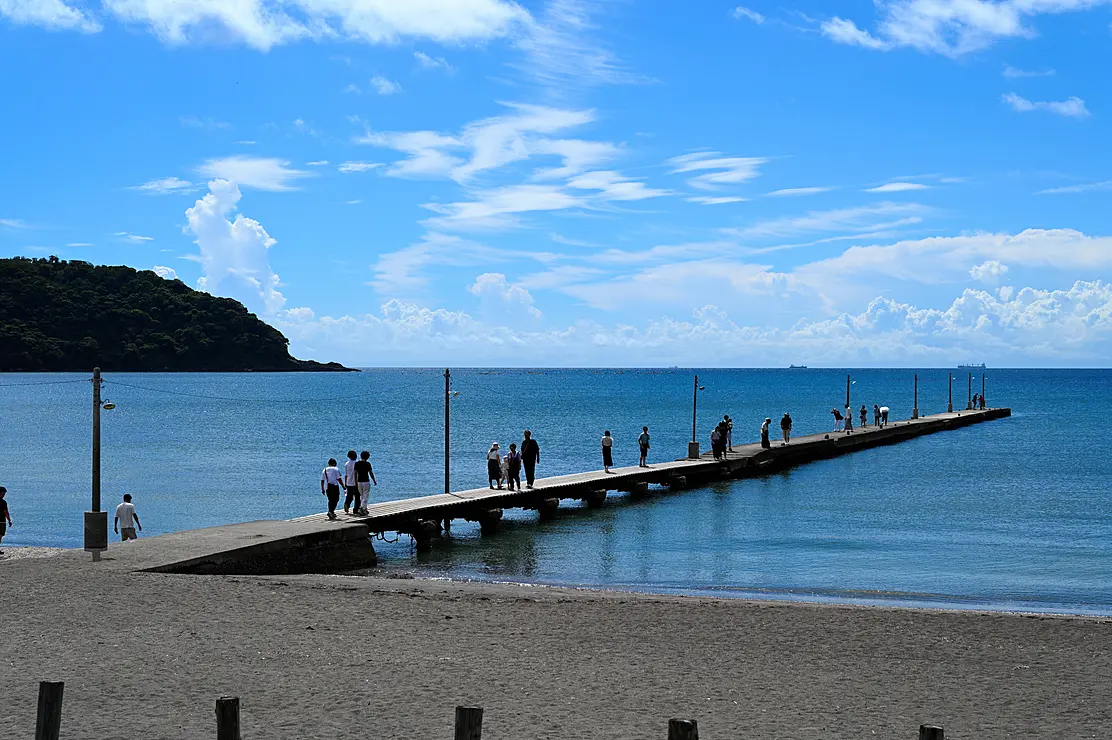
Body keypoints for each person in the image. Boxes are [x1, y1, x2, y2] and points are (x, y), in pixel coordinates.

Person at [353, 451, 376, 515]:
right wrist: (374, 480)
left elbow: (355, 473)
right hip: (366, 481)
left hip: (359, 481)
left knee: (361, 495)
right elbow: (370, 473)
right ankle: (362, 508)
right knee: (365, 495)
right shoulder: (368, 464)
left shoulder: (357, 463)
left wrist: (355, 482)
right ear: (367, 457)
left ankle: (363, 508)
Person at [343, 450, 360, 515]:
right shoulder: (357, 463)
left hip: (348, 481)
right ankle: (356, 510)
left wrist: (345, 483)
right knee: (357, 497)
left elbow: (346, 474)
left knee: (349, 496)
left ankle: (347, 504)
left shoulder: (347, 464)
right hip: (356, 482)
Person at [0, 487, 10, 555]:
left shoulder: (3, 502)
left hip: (2, 521)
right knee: (0, 535)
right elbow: (6, 512)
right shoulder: (3, 502)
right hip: (1, 521)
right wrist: (9, 520)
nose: (4, 495)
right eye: (3, 493)